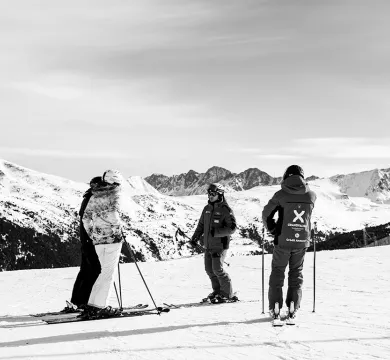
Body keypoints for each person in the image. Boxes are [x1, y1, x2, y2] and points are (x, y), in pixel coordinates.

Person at [262, 165, 316, 324]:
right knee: (296, 272)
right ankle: (293, 305)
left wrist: (272, 229)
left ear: (286, 176)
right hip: (301, 241)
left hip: (283, 241)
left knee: (278, 272)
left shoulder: (280, 195)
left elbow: (266, 214)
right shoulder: (311, 196)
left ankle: (275, 306)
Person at [81, 169, 125, 319]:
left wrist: (93, 234)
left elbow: (85, 219)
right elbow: (114, 215)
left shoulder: (94, 195)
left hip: (98, 241)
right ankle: (100, 307)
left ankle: (93, 304)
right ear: (115, 182)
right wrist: (117, 227)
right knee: (108, 273)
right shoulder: (115, 194)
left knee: (103, 272)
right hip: (113, 239)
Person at [191, 183, 237, 303]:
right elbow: (201, 225)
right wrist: (194, 238)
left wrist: (216, 232)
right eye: (209, 194)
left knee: (218, 269)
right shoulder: (207, 209)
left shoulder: (225, 210)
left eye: (213, 194)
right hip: (208, 245)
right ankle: (218, 291)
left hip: (220, 245)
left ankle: (227, 294)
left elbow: (232, 228)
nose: (210, 196)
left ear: (220, 194)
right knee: (209, 270)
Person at [61, 176, 102, 313]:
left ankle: (76, 302)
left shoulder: (88, 197)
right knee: (94, 270)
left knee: (85, 271)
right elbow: (90, 220)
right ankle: (83, 303)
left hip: (85, 240)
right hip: (90, 241)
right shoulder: (93, 199)